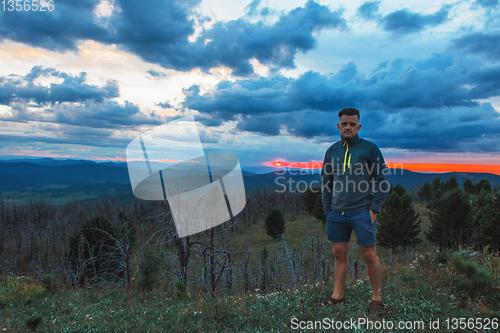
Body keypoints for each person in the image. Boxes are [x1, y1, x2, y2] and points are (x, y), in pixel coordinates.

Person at [315, 107, 390, 313]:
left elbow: (383, 181)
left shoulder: (369, 149)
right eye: (344, 124)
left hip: (362, 211)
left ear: (359, 126)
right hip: (336, 213)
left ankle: (376, 299)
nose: (348, 127)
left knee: (369, 253)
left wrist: (374, 209)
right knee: (339, 253)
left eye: (352, 124)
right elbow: (326, 182)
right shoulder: (331, 151)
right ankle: (337, 296)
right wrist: (327, 210)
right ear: (338, 126)